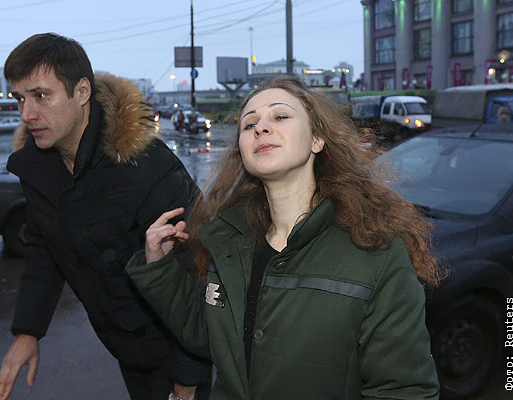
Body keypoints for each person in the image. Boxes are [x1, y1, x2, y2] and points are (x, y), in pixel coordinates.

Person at [126, 76, 442, 399]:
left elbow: (404, 389)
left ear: (317, 139)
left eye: (280, 116)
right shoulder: (229, 241)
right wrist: (158, 268)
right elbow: (212, 338)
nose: (261, 128)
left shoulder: (375, 251)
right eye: (249, 124)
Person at [0, 33, 210, 400]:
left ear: (82, 92)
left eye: (41, 96)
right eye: (19, 98)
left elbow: (198, 271)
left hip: (174, 353)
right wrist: (28, 331)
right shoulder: (39, 169)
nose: (26, 114)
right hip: (124, 347)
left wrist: (187, 380)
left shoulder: (147, 165)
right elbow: (46, 248)